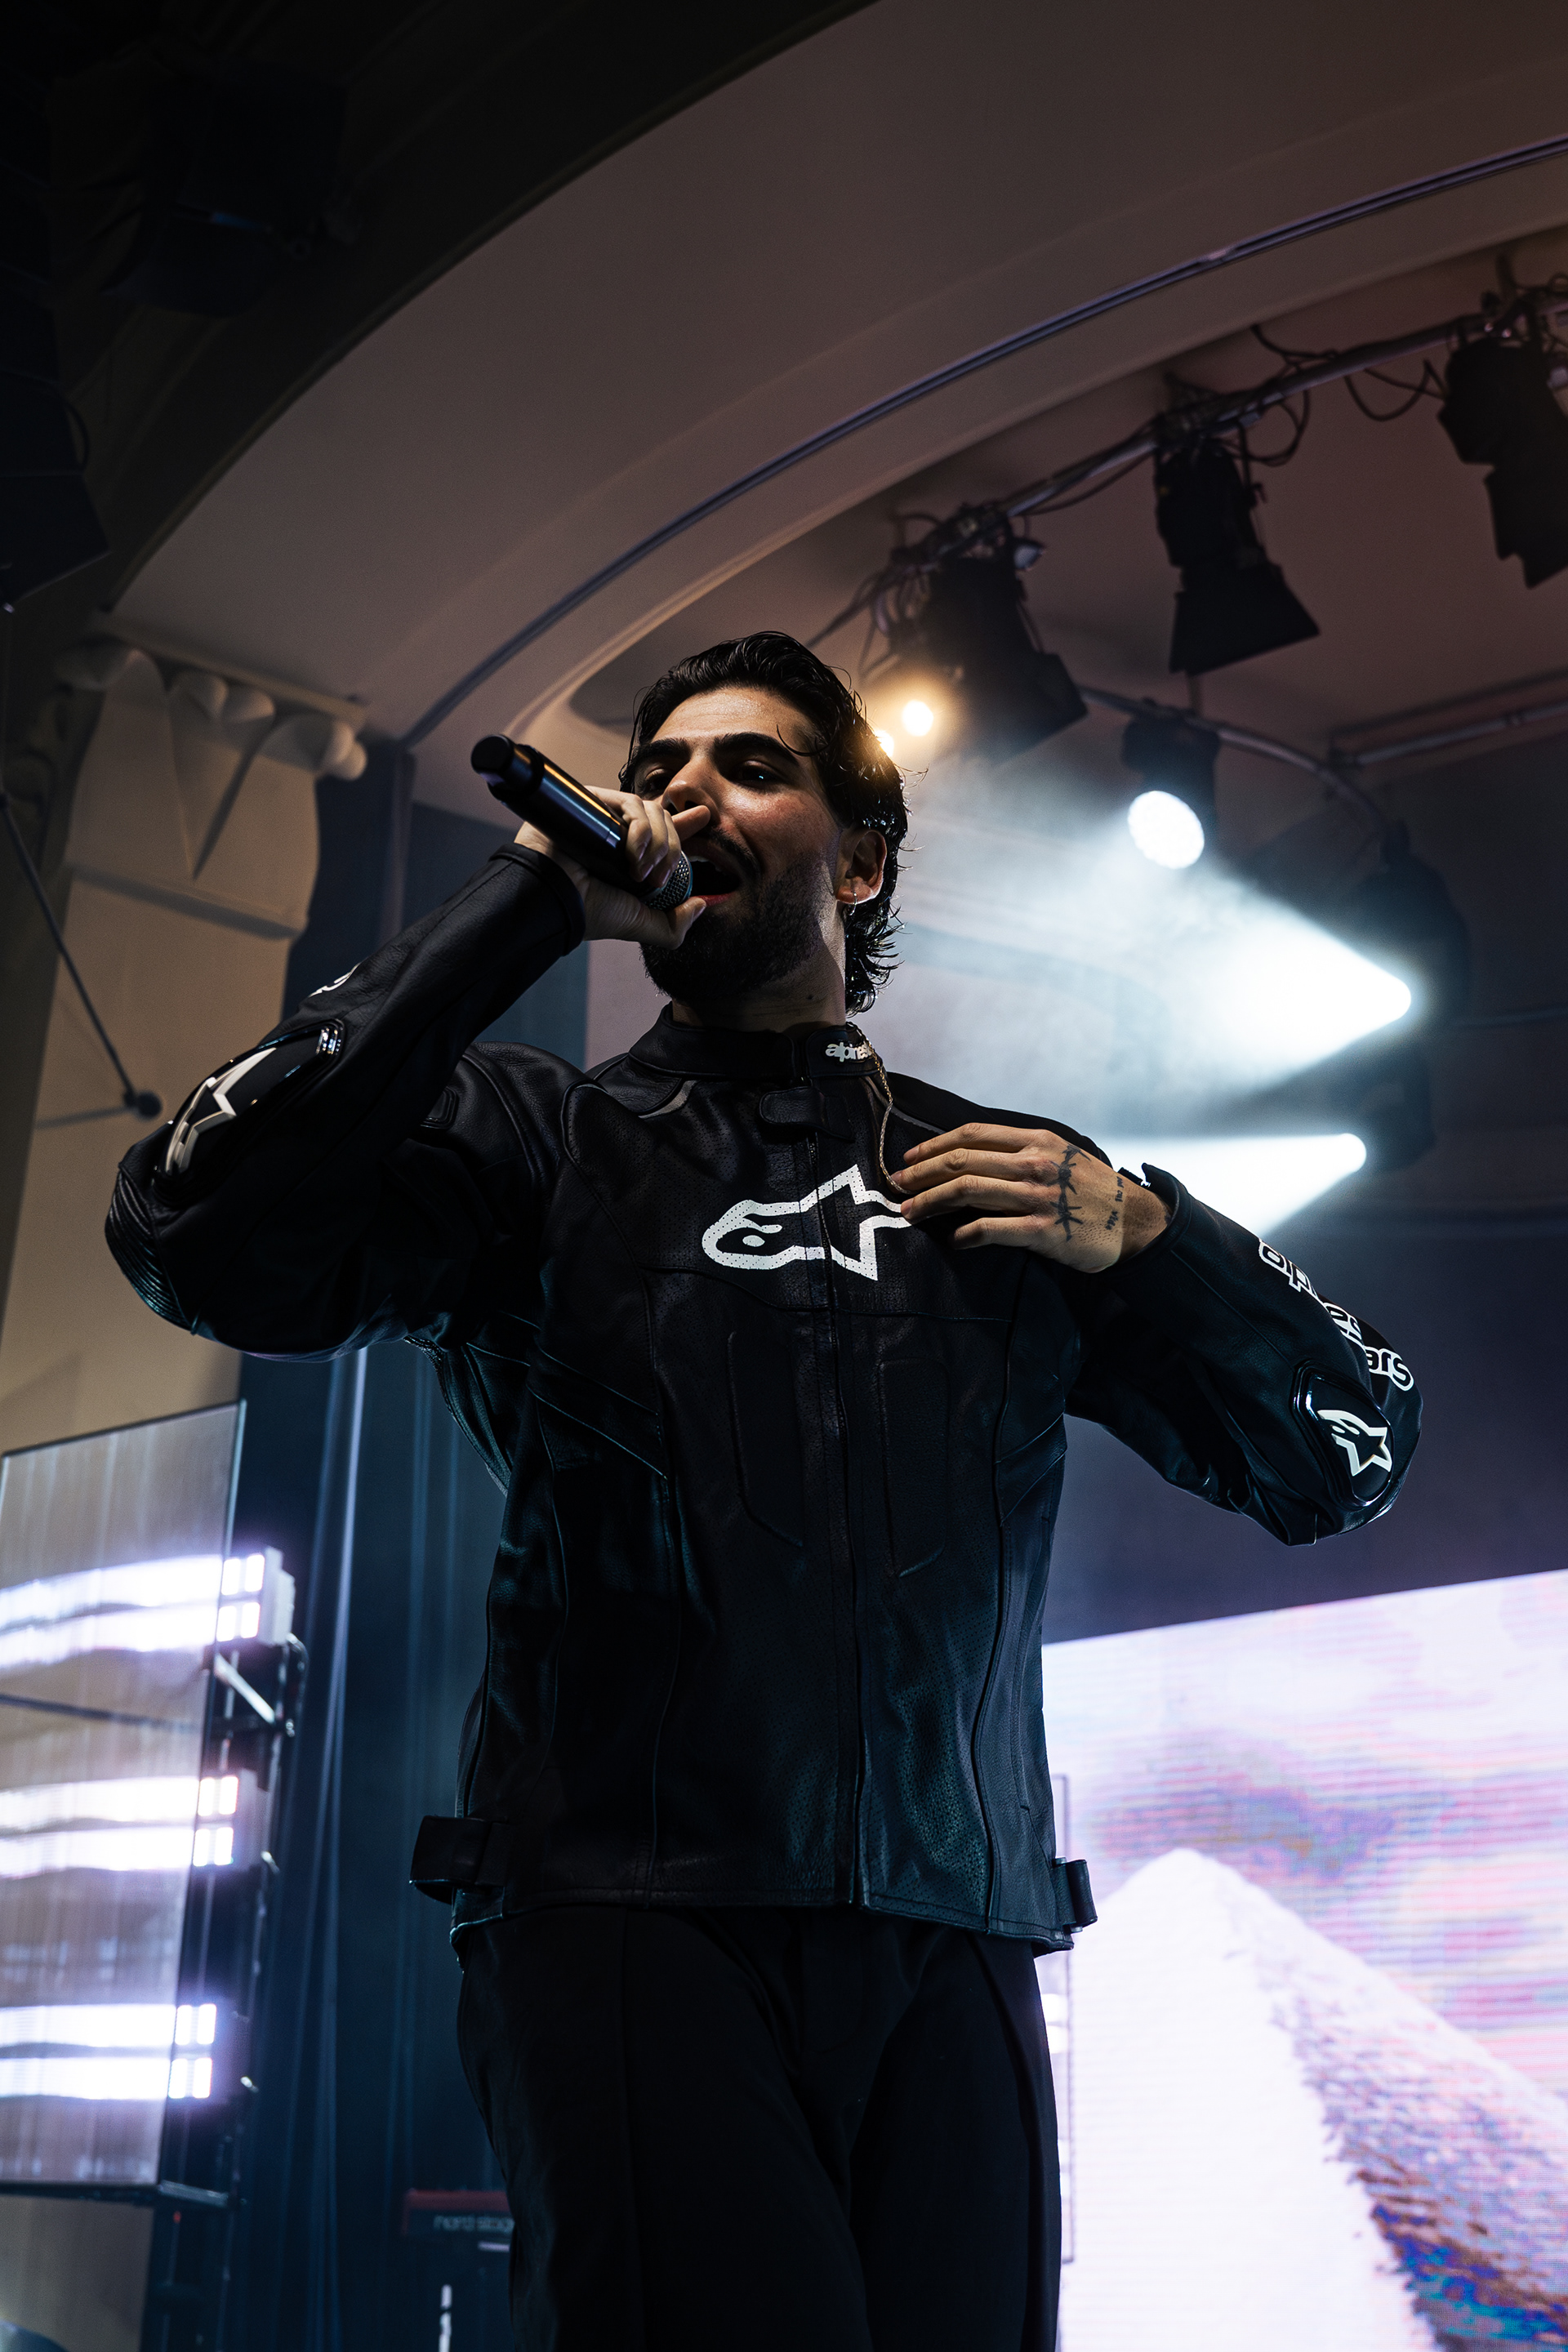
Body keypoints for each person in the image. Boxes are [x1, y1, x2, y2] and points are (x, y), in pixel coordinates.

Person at [107, 631, 1420, 2352]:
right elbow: (187, 1226)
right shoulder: (531, 1146)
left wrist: (1161, 1241)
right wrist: (522, 906)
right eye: (658, 772)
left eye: (750, 766)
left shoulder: (1015, 1185)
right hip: (632, 1917)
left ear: (859, 860)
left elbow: (1349, 1453)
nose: (684, 796)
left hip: (956, 1927)